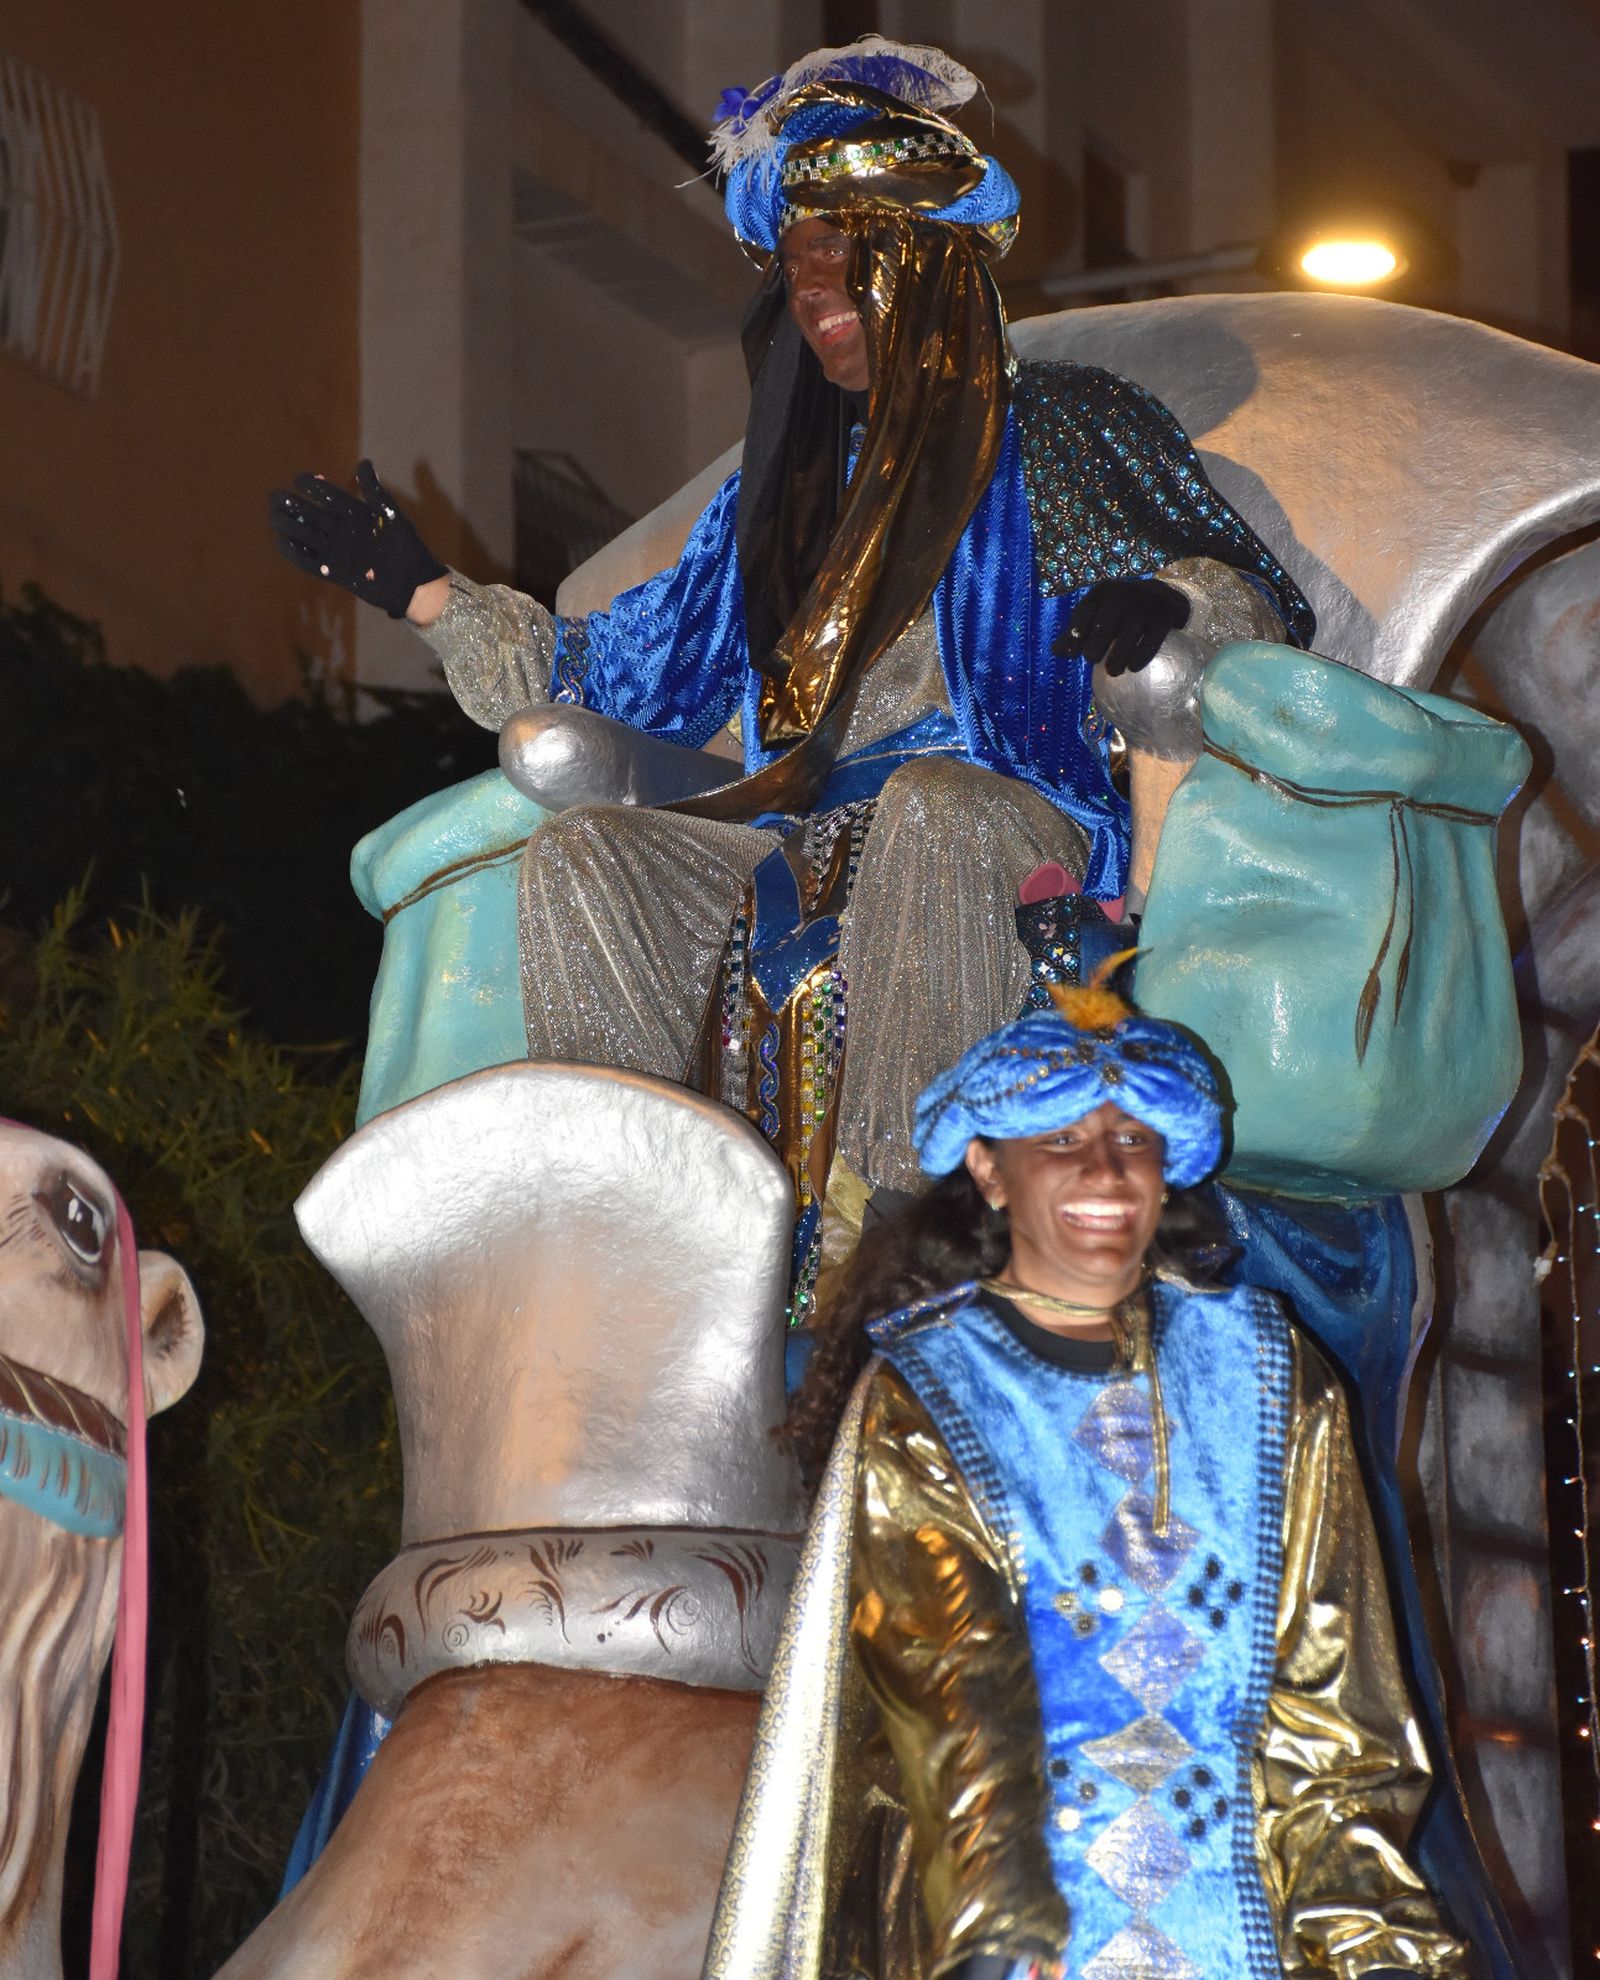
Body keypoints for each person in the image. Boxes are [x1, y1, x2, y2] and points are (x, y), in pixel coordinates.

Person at [269, 36, 1313, 1212]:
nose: (810, 293)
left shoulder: (1063, 427)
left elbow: (1241, 598)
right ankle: (641, 1221)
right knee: (588, 853)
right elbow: (619, 676)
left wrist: (1172, 605)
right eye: (796, 269)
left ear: (921, 261)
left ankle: (900, 1219)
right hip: (793, 829)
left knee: (934, 810)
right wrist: (427, 595)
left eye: (839, 258)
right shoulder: (780, 497)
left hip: (1006, 816)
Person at [703, 972, 1473, 1980]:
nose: (1106, 1175)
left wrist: (1373, 1949)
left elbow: (1337, 1724)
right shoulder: (929, 1397)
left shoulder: (1271, 1378)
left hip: (1248, 1938)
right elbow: (957, 1718)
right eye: (1061, 1143)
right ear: (987, 1170)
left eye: (1134, 1142)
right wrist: (1000, 1939)